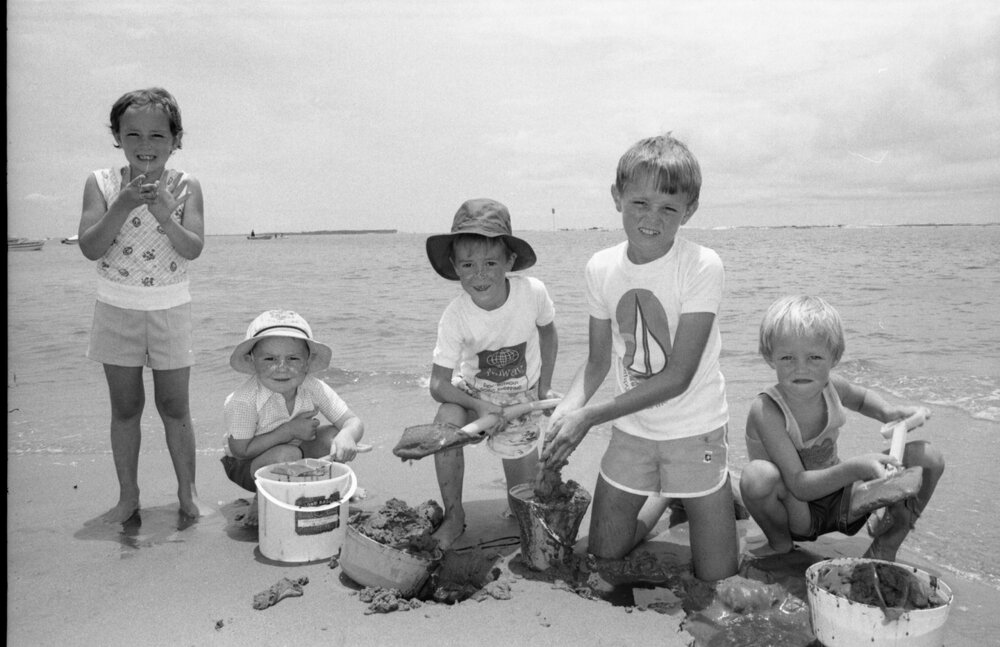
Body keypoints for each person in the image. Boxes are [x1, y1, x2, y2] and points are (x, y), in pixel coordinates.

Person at [541, 133, 738, 581]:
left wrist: (589, 417)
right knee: (603, 555)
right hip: (633, 430)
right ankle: (665, 497)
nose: (652, 218)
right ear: (617, 197)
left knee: (717, 577)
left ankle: (707, 488)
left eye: (669, 208)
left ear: (689, 210)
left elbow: (679, 376)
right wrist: (567, 411)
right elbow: (596, 362)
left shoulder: (702, 265)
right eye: (640, 203)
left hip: (696, 428)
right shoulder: (600, 268)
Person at [78, 87, 206, 523]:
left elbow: (192, 249)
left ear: (176, 139)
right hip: (115, 308)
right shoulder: (100, 183)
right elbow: (91, 247)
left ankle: (188, 494)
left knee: (175, 408)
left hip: (171, 309)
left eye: (157, 135)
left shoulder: (186, 186)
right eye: (132, 134)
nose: (145, 144)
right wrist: (123, 203)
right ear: (117, 136)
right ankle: (128, 496)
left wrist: (165, 216)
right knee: (126, 409)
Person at [739, 295, 944, 561]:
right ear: (770, 357)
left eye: (814, 357)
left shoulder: (832, 387)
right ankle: (780, 545)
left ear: (834, 357)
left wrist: (888, 412)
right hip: (798, 513)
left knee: (928, 458)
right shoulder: (767, 410)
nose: (801, 368)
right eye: (788, 357)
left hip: (843, 500)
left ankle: (886, 545)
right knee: (757, 476)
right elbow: (799, 485)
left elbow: (861, 399)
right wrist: (857, 468)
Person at [424, 198, 559, 549]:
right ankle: (454, 515)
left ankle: (527, 497)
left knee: (522, 509)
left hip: (520, 399)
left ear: (509, 261)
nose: (479, 274)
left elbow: (548, 332)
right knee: (446, 421)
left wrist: (544, 388)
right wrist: (479, 406)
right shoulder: (456, 316)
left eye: (490, 263)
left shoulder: (532, 293)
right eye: (468, 265)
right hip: (474, 396)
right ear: (454, 266)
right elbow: (438, 384)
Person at [222, 310, 365, 527]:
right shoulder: (245, 400)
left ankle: (326, 488)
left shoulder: (312, 386)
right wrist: (288, 431)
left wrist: (346, 436)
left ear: (307, 362)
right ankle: (262, 498)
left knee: (333, 436)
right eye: (269, 359)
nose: (282, 367)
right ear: (252, 362)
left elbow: (353, 422)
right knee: (287, 453)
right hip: (246, 465)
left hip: (293, 452)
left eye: (293, 358)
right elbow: (240, 450)